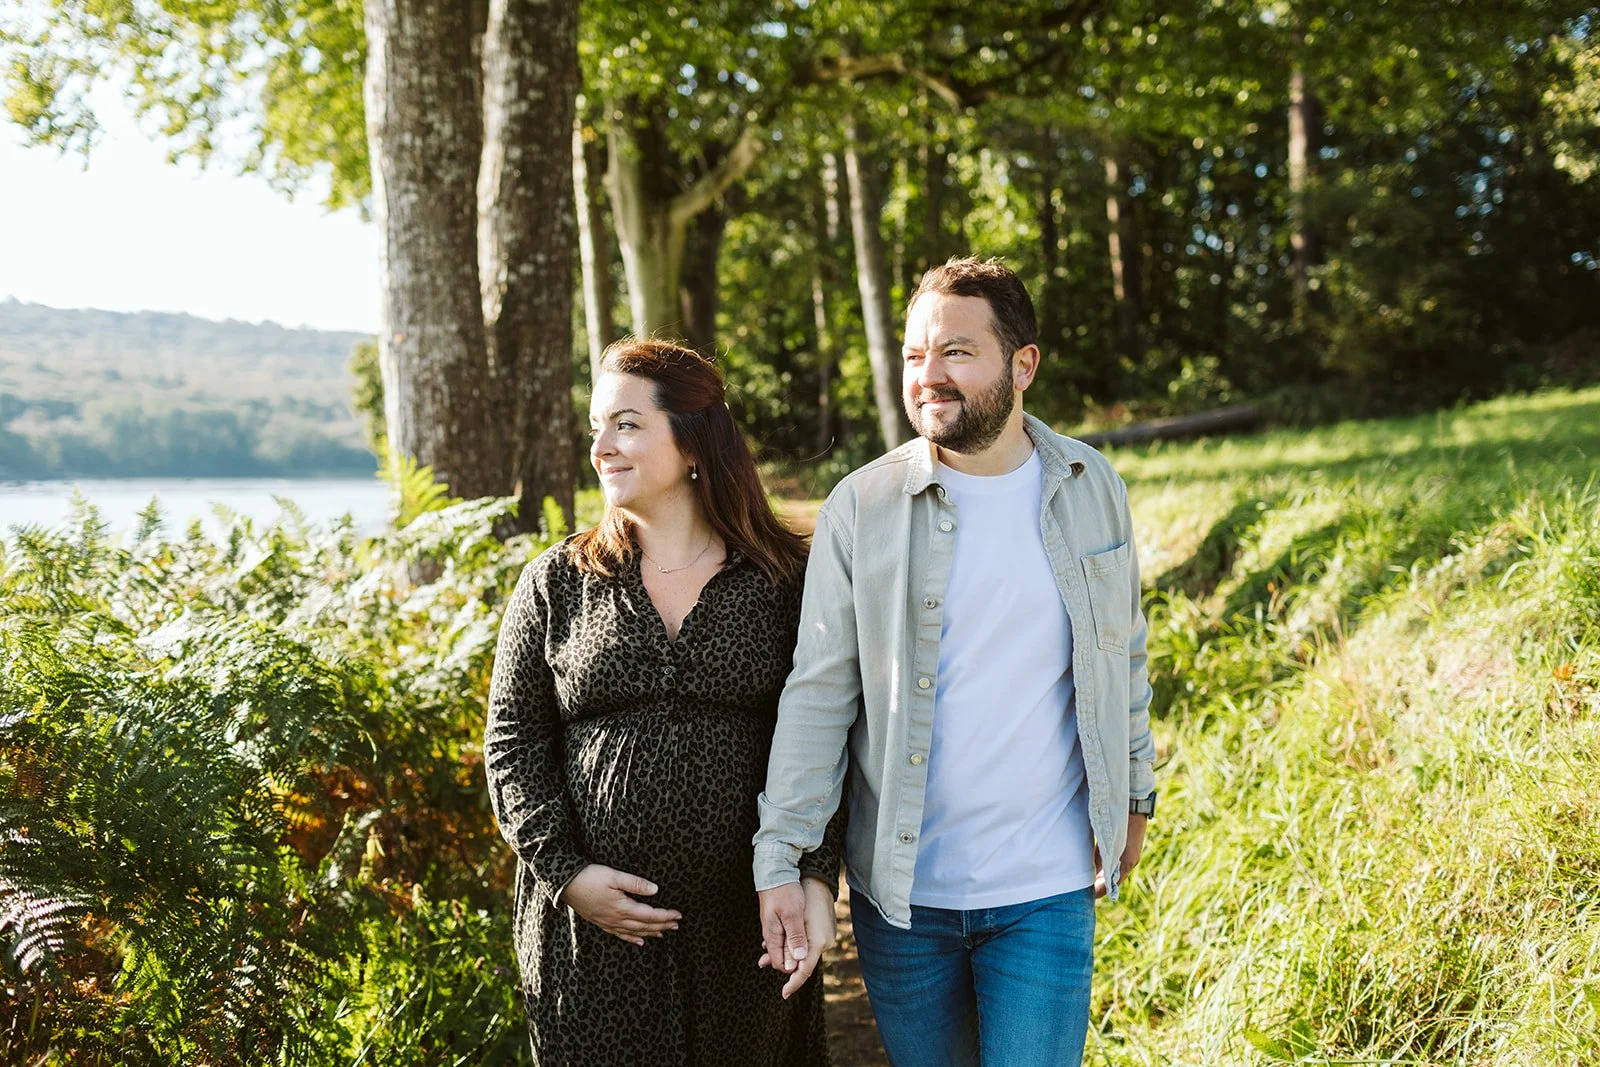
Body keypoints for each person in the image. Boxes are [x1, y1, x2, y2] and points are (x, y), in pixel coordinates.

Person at [753, 257, 1157, 1066]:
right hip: (905, 901)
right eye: (913, 355)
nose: (927, 376)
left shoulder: (1090, 483)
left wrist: (1137, 787)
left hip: (1044, 890)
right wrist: (781, 854)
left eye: (956, 353)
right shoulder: (860, 507)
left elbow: (1124, 649)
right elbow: (819, 693)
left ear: (1023, 364)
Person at [485, 338, 844, 1066]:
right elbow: (512, 743)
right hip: (592, 940)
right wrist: (568, 874)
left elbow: (829, 731)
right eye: (595, 426)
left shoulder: (784, 581)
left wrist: (815, 875)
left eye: (625, 424)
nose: (600, 446)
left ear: (693, 442)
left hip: (748, 925)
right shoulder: (554, 584)